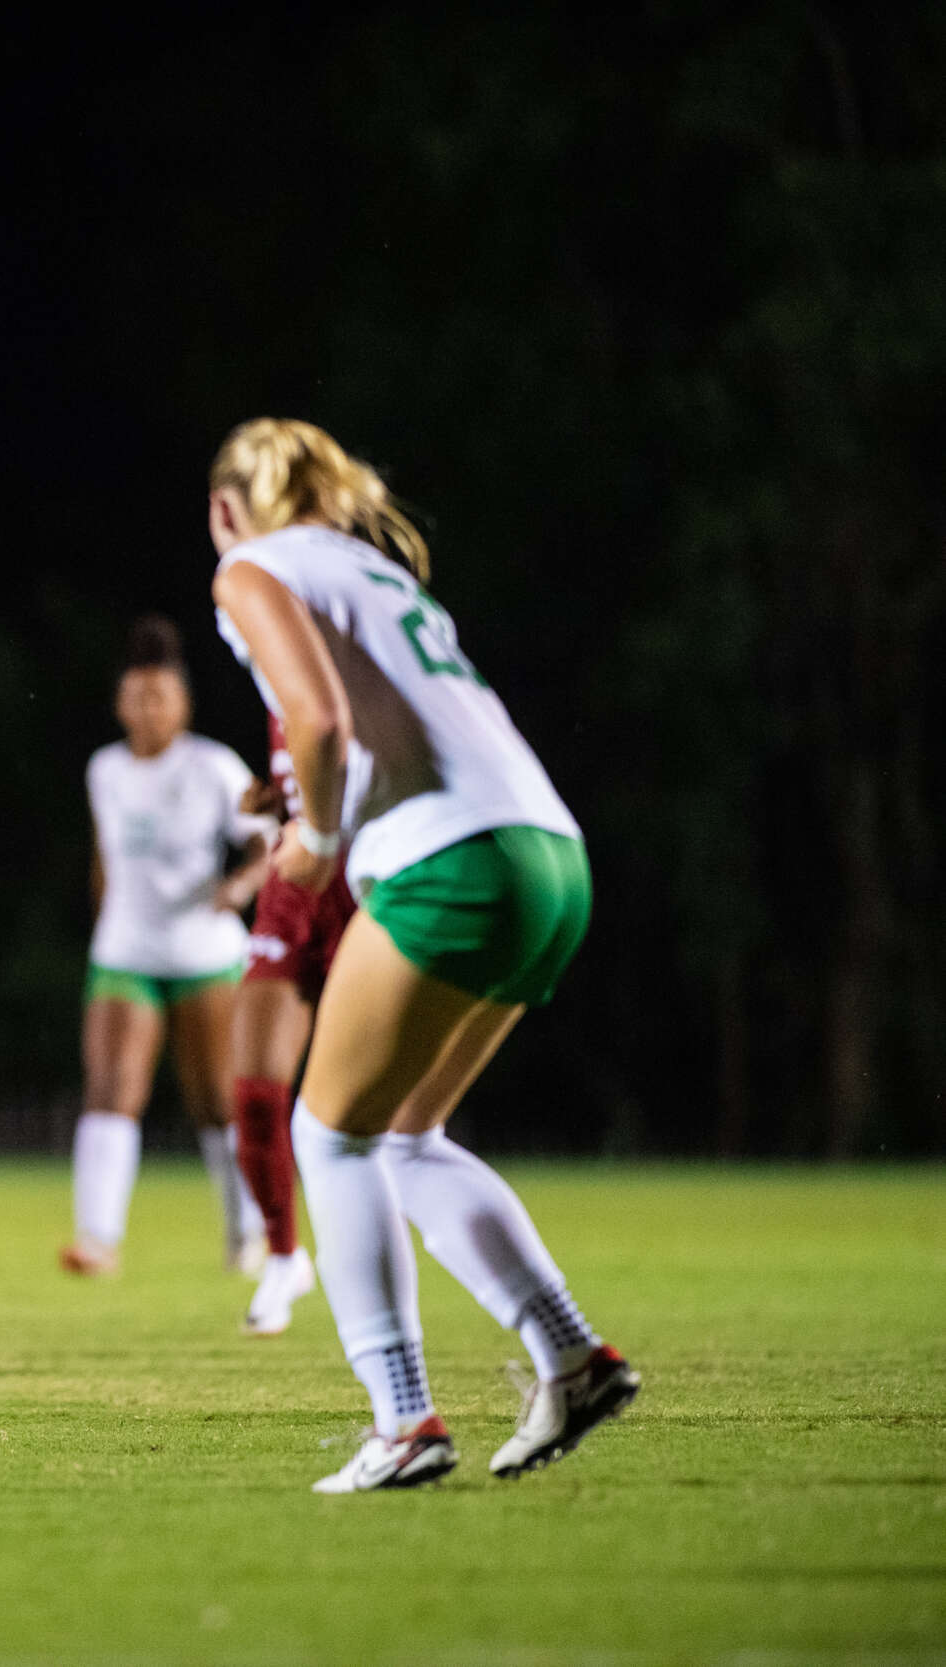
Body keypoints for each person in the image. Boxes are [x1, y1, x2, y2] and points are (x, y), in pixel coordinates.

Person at [206, 417, 639, 1491]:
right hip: (548, 851)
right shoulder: (366, 561)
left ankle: (403, 1418)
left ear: (226, 511)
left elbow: (318, 721)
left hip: (447, 859)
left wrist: (307, 837)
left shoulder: (250, 566)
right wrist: (312, 794)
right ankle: (571, 1356)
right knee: (402, 1131)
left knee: (329, 1136)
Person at [65, 616, 272, 1279]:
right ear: (120, 702)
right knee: (111, 1086)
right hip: (125, 952)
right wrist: (103, 918)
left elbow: (269, 839)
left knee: (216, 1096)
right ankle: (98, 1239)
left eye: (160, 697)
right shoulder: (105, 768)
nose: (147, 708)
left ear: (181, 702)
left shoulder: (212, 765)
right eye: (136, 696)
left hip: (205, 954)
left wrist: (240, 886)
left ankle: (249, 1232)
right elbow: (105, 858)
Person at [230, 723, 353, 1338]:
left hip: (371, 885)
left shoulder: (353, 647)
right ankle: (284, 1257)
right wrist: (282, 802)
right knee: (253, 1096)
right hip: (294, 881)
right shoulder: (275, 673)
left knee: (381, 1123)